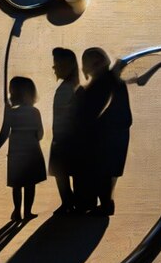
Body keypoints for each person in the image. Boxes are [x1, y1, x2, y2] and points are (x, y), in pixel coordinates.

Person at [80, 47, 132, 215]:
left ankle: (104, 204)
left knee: (104, 172)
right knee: (107, 173)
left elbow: (92, 112)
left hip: (106, 137)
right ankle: (104, 203)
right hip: (114, 135)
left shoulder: (106, 83)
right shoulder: (113, 82)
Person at [0, 76, 47, 221]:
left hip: (16, 154)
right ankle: (27, 212)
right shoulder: (34, 112)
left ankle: (16, 211)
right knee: (30, 184)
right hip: (32, 152)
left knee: (17, 184)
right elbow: (40, 134)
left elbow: (4, 133)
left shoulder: (11, 112)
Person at [49, 47, 84, 214]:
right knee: (72, 172)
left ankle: (68, 202)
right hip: (69, 138)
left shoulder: (67, 88)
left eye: (57, 64)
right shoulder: (74, 87)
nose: (54, 68)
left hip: (65, 138)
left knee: (62, 172)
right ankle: (71, 202)